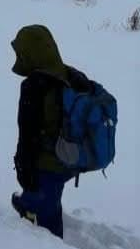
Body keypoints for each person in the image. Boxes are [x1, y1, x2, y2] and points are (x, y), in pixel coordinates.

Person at [8, 25, 93, 238]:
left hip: (50, 162)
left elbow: (27, 135)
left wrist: (22, 166)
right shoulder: (72, 75)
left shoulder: (34, 86)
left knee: (47, 214)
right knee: (50, 195)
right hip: (73, 157)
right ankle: (31, 203)